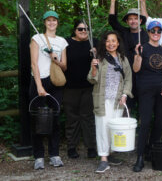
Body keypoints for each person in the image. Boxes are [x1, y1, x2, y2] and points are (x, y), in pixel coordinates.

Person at [88, 31, 133, 173]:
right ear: (104, 43)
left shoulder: (123, 59)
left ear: (118, 43)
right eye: (108, 41)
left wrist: (125, 94)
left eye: (114, 41)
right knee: (102, 127)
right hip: (102, 99)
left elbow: (128, 79)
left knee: (114, 128)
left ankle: (110, 154)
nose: (111, 43)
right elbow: (91, 79)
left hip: (117, 100)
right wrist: (94, 67)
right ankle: (103, 159)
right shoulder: (99, 58)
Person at [29, 10, 68, 170]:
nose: (51, 23)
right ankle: (38, 156)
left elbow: (64, 66)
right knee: (37, 119)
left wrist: (56, 59)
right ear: (44, 22)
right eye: (48, 20)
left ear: (57, 22)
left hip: (55, 82)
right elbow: (34, 64)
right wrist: (39, 85)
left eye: (54, 20)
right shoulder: (36, 38)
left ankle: (54, 154)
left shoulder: (62, 41)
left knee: (55, 118)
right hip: (40, 80)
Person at [132, 21, 162, 172]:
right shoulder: (142, 48)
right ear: (148, 32)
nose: (156, 33)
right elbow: (136, 69)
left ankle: (152, 151)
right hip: (145, 91)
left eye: (158, 30)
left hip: (161, 91)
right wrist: (137, 55)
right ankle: (140, 156)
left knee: (160, 121)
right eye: (152, 31)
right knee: (145, 122)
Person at [108, 0, 149, 109]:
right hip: (126, 75)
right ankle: (126, 127)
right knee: (126, 106)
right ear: (127, 21)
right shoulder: (124, 32)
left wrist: (143, 2)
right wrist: (112, 1)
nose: (133, 21)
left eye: (136, 18)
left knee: (143, 106)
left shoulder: (147, 35)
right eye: (130, 19)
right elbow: (112, 21)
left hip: (143, 75)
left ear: (140, 20)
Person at [64, 20, 97, 159]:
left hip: (89, 87)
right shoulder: (66, 43)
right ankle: (72, 146)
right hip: (70, 87)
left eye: (86, 29)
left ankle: (91, 147)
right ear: (74, 30)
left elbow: (105, 58)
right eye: (80, 29)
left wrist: (96, 53)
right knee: (72, 117)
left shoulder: (93, 42)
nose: (84, 31)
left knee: (88, 117)